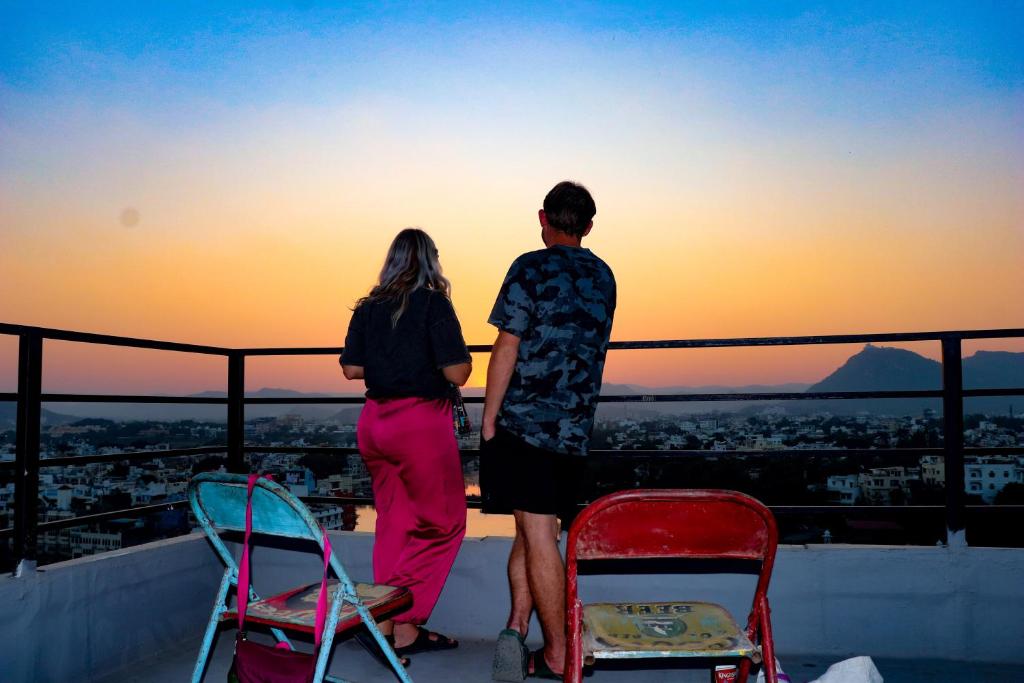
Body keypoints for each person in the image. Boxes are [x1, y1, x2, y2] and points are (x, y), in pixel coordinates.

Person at [483, 181, 616, 680]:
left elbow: (507, 343)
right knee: (533, 527)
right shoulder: (605, 276)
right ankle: (517, 626)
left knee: (538, 535)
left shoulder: (530, 267)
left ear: (544, 218)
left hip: (527, 424)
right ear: (588, 225)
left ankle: (560, 653)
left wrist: (490, 416)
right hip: (575, 427)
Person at [340, 228, 471, 661]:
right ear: (430, 261)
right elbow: (457, 374)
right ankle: (387, 619)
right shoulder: (434, 303)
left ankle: (402, 631)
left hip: (375, 423)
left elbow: (352, 369)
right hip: (419, 425)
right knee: (445, 525)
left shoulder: (368, 307)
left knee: (394, 524)